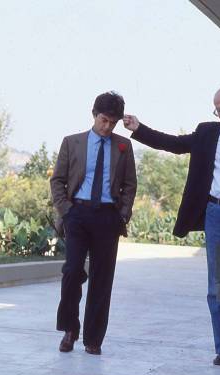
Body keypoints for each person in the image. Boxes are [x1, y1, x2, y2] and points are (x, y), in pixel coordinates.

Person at [123, 87, 220, 365]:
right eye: (218, 110)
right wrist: (139, 129)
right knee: (219, 285)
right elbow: (173, 144)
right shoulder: (208, 132)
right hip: (218, 214)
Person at [50, 91, 137, 355]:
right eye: (103, 120)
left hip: (108, 217)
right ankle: (69, 329)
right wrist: (66, 210)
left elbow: (130, 184)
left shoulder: (123, 146)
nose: (107, 126)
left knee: (102, 279)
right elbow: (57, 180)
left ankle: (93, 339)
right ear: (94, 114)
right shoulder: (72, 142)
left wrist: (122, 213)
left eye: (113, 122)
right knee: (72, 271)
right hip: (77, 213)